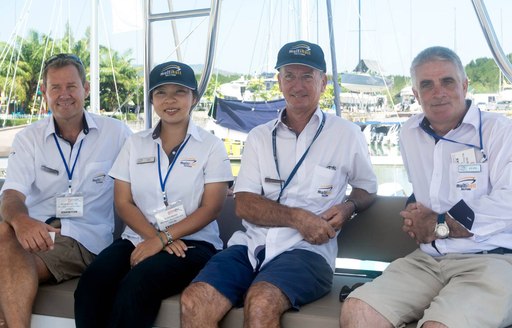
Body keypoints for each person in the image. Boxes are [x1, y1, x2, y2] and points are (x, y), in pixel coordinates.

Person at [181, 40, 377, 327]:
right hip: (252, 245)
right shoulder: (259, 137)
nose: (297, 85)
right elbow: (245, 204)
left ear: (323, 82)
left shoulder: (346, 134)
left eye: (307, 76)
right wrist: (298, 218)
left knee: (261, 302)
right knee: (194, 300)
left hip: (308, 253)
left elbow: (367, 189)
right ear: (279, 81)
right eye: (289, 76)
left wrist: (348, 207)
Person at [340, 46, 512, 328]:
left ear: (465, 85)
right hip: (428, 259)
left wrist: (438, 225)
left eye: (447, 81)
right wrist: (413, 210)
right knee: (358, 311)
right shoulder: (409, 133)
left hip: (492, 259)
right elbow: (425, 189)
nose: (438, 92)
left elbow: (508, 204)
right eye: (426, 85)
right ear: (416, 94)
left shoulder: (500, 132)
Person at [74, 61, 233, 328]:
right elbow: (123, 201)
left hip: (192, 243)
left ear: (193, 97)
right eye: (161, 92)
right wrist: (154, 239)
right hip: (138, 238)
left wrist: (164, 239)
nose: (170, 100)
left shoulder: (211, 146)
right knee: (92, 284)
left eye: (179, 92)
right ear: (151, 99)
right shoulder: (135, 143)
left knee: (137, 285)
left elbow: (212, 207)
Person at [0, 53, 131, 327]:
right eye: (55, 87)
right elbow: (11, 195)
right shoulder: (29, 139)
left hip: (85, 238)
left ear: (85, 89)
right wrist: (22, 221)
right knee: (5, 229)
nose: (64, 95)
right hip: (33, 231)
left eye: (71, 86)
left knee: (7, 260)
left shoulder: (116, 133)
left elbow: (150, 174)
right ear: (45, 92)